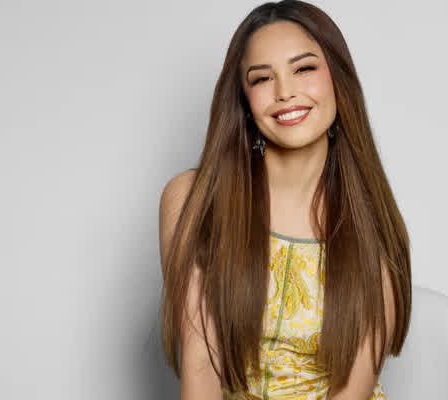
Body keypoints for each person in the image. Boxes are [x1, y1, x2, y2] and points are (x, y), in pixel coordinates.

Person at [158, 1, 412, 398]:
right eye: (262, 78)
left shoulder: (370, 223)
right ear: (243, 99)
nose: (285, 92)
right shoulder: (194, 199)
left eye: (304, 69)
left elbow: (354, 390)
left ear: (338, 78)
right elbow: (200, 363)